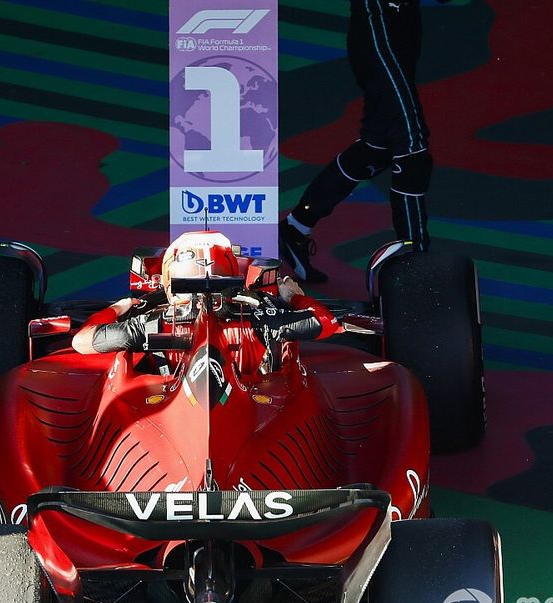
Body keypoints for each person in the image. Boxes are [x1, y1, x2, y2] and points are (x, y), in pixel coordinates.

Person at [280, 0, 437, 283]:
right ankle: (416, 272)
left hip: (403, 26)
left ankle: (295, 227)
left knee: (377, 149)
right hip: (377, 23)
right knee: (412, 150)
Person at [72, 231, 340, 366]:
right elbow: (328, 323)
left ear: (168, 283)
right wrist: (294, 298)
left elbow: (80, 341)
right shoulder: (261, 317)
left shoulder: (148, 324)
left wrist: (116, 308)